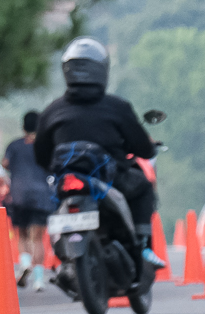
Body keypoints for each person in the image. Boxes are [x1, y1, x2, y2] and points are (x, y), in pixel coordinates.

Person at [32, 36, 166, 271]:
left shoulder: (52, 110)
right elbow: (142, 147)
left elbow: (41, 155)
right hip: (112, 180)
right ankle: (144, 248)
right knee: (144, 187)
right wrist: (145, 147)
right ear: (102, 69)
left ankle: (62, 257)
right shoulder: (117, 107)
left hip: (67, 183)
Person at [2, 112, 54, 288]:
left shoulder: (14, 145)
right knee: (37, 239)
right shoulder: (46, 146)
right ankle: (38, 280)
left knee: (22, 234)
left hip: (19, 196)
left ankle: (25, 264)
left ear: (23, 127)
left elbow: (5, 164)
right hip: (42, 196)